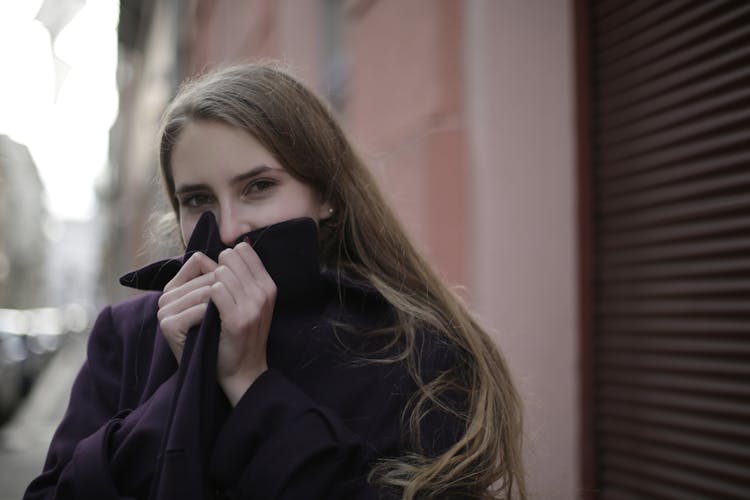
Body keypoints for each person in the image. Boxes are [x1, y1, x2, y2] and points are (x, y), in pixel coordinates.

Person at [25, 62, 525, 499]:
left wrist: (250, 384)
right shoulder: (127, 334)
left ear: (326, 194)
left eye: (259, 187)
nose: (227, 228)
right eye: (198, 200)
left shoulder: (415, 350)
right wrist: (183, 384)